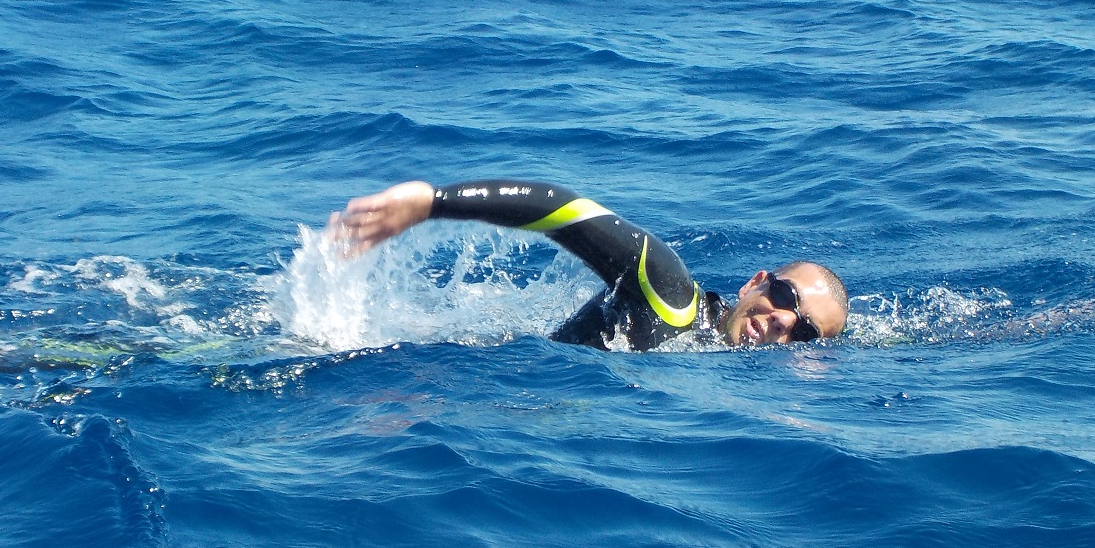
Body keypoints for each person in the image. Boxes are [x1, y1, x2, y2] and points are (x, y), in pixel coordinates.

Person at [329, 178, 848, 352]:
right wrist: (432, 203)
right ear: (754, 283)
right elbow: (569, 211)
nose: (782, 319)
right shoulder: (671, 297)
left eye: (803, 333)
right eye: (784, 297)